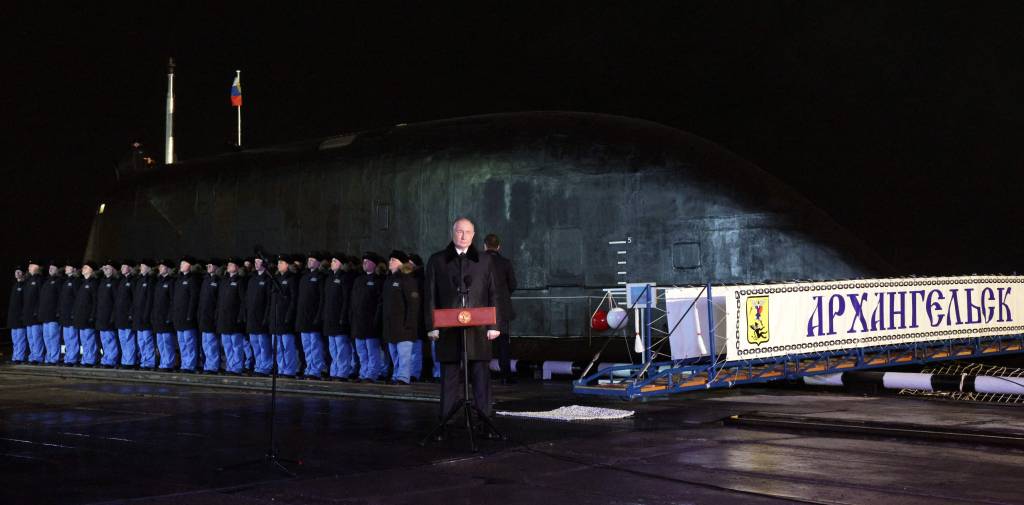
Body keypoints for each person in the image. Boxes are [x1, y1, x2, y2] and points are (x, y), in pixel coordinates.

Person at [425, 217, 500, 431]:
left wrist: (494, 325)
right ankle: (445, 422)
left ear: (474, 235)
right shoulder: (437, 260)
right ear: (452, 233)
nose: (464, 235)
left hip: (478, 329)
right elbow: (430, 295)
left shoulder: (485, 260)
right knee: (449, 375)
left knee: (480, 375)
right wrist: (432, 325)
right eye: (459, 231)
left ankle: (485, 421)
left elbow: (494, 293)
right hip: (447, 329)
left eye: (468, 232)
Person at [382, 250, 421, 385]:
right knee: (394, 355)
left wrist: (409, 323)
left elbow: (413, 302)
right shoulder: (389, 280)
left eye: (393, 260)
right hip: (391, 325)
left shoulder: (407, 279)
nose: (390, 262)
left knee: (404, 354)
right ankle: (396, 375)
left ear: (400, 263)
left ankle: (403, 377)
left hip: (404, 326)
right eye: (390, 259)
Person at [483, 233, 518, 383]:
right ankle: (506, 376)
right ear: (498, 247)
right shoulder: (505, 263)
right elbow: (513, 285)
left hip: (483, 309)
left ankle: (482, 375)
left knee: (483, 343)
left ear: (484, 246)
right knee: (503, 343)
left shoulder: (478, 261)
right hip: (502, 309)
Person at [350, 252, 384, 383]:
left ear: (374, 264)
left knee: (372, 350)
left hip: (370, 322)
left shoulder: (378, 280)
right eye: (363, 261)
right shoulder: (359, 280)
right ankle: (363, 373)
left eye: (367, 261)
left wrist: (376, 319)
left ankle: (372, 373)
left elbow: (380, 303)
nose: (364, 263)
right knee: (361, 351)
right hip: (358, 322)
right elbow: (353, 301)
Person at [296, 252, 327, 380]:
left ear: (318, 263)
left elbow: (321, 299)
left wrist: (318, 316)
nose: (309, 261)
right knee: (307, 347)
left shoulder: (321, 277)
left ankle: (316, 369)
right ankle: (310, 367)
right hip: (304, 318)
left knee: (315, 346)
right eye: (308, 259)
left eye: (312, 259)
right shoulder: (304, 277)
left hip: (313, 317)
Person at [323, 252, 354, 381]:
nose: (332, 263)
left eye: (335, 261)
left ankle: (342, 372)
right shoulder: (330, 278)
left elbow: (346, 299)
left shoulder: (344, 278)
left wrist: (343, 316)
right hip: (330, 318)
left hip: (339, 318)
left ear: (341, 264)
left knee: (341, 347)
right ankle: (334, 371)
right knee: (333, 348)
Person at [269, 254, 299, 377]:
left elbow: (293, 299)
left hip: (285, 318)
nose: (279, 265)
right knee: (277, 347)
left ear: (287, 265)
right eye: (278, 263)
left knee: (287, 347)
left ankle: (289, 370)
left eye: (281, 263)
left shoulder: (292, 279)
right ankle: (281, 368)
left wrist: (289, 315)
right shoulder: (276, 279)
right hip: (276, 318)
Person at [217, 258, 247, 375]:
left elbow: (243, 301)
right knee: (227, 345)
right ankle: (230, 365)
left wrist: (240, 316)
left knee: (236, 345)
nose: (228, 266)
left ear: (237, 267)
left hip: (234, 319)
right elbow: (220, 300)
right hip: (224, 319)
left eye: (231, 264)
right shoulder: (224, 281)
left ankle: (237, 367)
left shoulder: (240, 281)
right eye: (228, 264)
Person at [172, 256, 200, 372]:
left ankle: (191, 364)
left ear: (190, 265)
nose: (181, 265)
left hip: (187, 318)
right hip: (179, 317)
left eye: (184, 263)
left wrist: (190, 314)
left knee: (190, 342)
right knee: (182, 343)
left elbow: (193, 299)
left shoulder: (192, 280)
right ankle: (184, 363)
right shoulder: (178, 280)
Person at [245, 257, 273, 376]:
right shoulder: (252, 279)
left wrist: (266, 317)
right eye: (255, 262)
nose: (256, 264)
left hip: (261, 317)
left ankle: (266, 366)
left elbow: (268, 301)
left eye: (258, 261)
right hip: (252, 317)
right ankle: (258, 365)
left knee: (263, 344)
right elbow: (247, 299)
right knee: (255, 344)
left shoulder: (268, 279)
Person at [73, 261, 100, 367]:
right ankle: (86, 358)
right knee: (84, 340)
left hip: (88, 317)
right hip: (81, 317)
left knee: (90, 339)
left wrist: (92, 315)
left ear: (91, 270)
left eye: (86, 267)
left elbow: (95, 301)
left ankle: (91, 359)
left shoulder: (93, 283)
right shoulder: (83, 283)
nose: (83, 268)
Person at [151, 259, 177, 371]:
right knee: (160, 343)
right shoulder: (159, 281)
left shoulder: (171, 282)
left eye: (162, 266)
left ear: (167, 268)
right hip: (158, 317)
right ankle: (163, 362)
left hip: (166, 318)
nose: (160, 268)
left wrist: (169, 316)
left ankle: (169, 363)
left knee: (167, 343)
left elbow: (172, 301)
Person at [198, 258, 222, 374]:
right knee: (205, 344)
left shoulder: (218, 280)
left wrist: (216, 316)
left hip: (212, 316)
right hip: (204, 316)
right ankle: (207, 364)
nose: (208, 266)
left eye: (210, 264)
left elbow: (218, 301)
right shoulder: (205, 280)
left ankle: (213, 366)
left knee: (212, 343)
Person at [132, 259, 157, 370]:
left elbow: (150, 300)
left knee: (148, 340)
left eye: (143, 265)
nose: (141, 268)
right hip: (138, 315)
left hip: (145, 317)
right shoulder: (140, 280)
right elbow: (136, 299)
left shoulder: (151, 280)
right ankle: (144, 360)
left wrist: (146, 314)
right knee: (141, 341)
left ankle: (150, 362)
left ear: (148, 268)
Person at [95, 261, 120, 368]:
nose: (106, 271)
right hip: (101, 315)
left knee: (110, 339)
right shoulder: (103, 281)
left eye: (108, 269)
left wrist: (113, 315)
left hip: (109, 315)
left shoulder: (115, 282)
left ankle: (112, 360)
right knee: (104, 340)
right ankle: (106, 358)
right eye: (105, 269)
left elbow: (116, 301)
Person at [407, 254, 427, 382]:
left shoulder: (420, 280)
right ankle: (410, 372)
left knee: (416, 348)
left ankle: (414, 372)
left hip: (418, 318)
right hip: (410, 317)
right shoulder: (409, 279)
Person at [38, 260, 62, 365]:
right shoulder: (46, 281)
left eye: (53, 267)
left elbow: (61, 298)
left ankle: (55, 357)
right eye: (50, 267)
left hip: (54, 316)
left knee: (54, 337)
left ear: (57, 269)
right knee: (47, 337)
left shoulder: (59, 281)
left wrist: (58, 311)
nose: (50, 269)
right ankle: (49, 356)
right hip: (45, 315)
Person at [115, 259, 138, 368]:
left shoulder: (132, 281)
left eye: (125, 266)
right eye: (122, 266)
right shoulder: (121, 280)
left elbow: (134, 299)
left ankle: (130, 361)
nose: (122, 268)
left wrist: (131, 313)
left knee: (129, 338)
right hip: (120, 314)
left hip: (128, 315)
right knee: (123, 339)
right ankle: (125, 360)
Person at [58, 261, 80, 365]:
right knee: (67, 338)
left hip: (71, 315)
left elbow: (77, 299)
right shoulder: (66, 281)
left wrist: (73, 313)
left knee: (72, 337)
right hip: (65, 315)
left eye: (68, 266)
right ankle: (68, 357)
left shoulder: (76, 281)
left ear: (74, 269)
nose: (66, 268)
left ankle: (73, 358)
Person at [22, 259, 44, 364]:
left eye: (31, 266)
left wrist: (37, 311)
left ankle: (38, 357)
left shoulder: (39, 280)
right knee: (30, 337)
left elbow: (41, 297)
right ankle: (33, 355)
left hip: (35, 316)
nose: (29, 268)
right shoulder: (28, 281)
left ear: (36, 267)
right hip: (28, 315)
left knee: (37, 337)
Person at [7, 266, 27, 364]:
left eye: (19, 272)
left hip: (20, 317)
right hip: (13, 317)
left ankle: (20, 357)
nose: (17, 273)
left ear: (23, 273)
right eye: (16, 272)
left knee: (20, 338)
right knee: (15, 339)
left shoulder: (24, 285)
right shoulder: (15, 285)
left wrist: (23, 315)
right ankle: (15, 356)